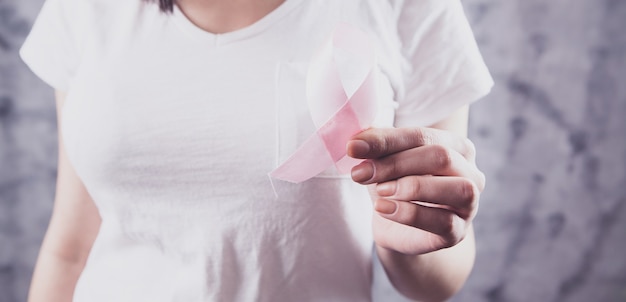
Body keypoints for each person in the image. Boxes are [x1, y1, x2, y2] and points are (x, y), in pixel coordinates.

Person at [20, 0, 493, 301]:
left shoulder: (408, 7)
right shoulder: (84, 10)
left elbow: (438, 280)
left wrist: (410, 230)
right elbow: (71, 246)